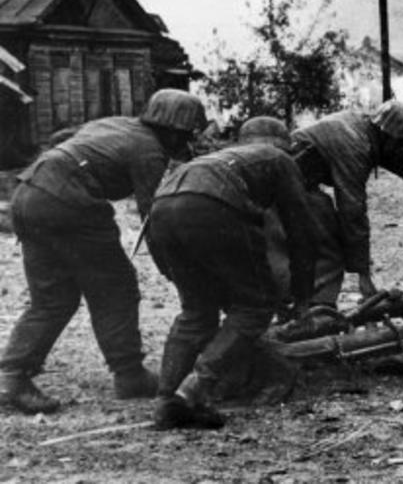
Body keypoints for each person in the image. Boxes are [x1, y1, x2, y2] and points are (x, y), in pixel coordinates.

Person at [0, 89, 207, 414]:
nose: (186, 143)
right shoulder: (149, 150)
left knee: (53, 299)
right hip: (70, 202)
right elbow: (155, 217)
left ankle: (11, 376)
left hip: (27, 195)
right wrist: (176, 269)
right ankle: (130, 374)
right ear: (175, 131)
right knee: (116, 289)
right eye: (187, 135)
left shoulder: (115, 124)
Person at [148, 116, 318, 430]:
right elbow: (301, 230)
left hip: (161, 210)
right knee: (256, 305)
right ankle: (195, 388)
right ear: (284, 145)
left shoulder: (220, 159)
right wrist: (304, 296)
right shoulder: (280, 160)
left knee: (197, 309)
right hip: (213, 205)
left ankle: (166, 398)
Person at [290, 100, 403, 308]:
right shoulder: (355, 145)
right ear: (388, 133)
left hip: (299, 184)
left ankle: (307, 303)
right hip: (285, 186)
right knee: (328, 243)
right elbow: (352, 211)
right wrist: (365, 278)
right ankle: (316, 309)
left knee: (321, 216)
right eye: (401, 141)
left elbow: (391, 154)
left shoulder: (366, 128)